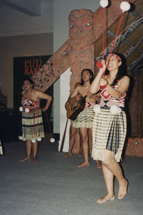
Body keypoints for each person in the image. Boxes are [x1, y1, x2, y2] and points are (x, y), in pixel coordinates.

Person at [90, 53, 129, 203]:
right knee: (103, 157)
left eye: (113, 59)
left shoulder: (124, 79)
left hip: (115, 118)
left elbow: (118, 95)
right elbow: (93, 91)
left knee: (108, 158)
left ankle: (122, 180)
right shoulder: (103, 76)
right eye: (108, 60)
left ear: (119, 63)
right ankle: (109, 193)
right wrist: (100, 72)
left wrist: (106, 85)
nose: (110, 62)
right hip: (101, 118)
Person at [69, 69, 101, 168]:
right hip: (81, 113)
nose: (84, 75)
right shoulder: (79, 87)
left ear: (91, 76)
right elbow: (70, 100)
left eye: (86, 74)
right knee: (84, 138)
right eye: (83, 74)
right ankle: (86, 161)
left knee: (93, 138)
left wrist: (93, 96)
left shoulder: (96, 86)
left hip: (92, 112)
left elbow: (101, 100)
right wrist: (75, 98)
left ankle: (97, 161)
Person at [20, 77, 52, 163]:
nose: (25, 85)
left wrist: (45, 108)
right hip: (26, 116)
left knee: (34, 137)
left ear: (31, 85)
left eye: (27, 84)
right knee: (27, 137)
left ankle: (34, 156)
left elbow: (49, 98)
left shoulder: (37, 93)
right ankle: (28, 156)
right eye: (24, 84)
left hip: (35, 116)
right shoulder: (23, 93)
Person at [64, 82, 82, 157]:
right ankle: (69, 151)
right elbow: (66, 106)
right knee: (72, 134)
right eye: (75, 87)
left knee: (82, 135)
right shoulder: (72, 96)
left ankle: (81, 151)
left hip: (81, 117)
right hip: (74, 117)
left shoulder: (83, 94)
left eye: (78, 87)